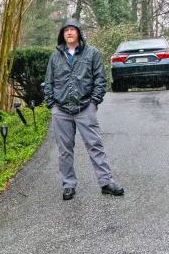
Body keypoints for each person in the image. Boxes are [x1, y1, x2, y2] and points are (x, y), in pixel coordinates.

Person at [43, 18, 124, 201]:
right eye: (66, 30)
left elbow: (100, 80)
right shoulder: (55, 57)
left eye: (72, 29)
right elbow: (48, 82)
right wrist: (52, 104)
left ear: (79, 32)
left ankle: (106, 183)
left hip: (85, 107)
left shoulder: (92, 53)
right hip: (61, 110)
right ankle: (68, 185)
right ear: (62, 35)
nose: (69, 33)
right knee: (65, 150)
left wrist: (94, 102)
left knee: (95, 145)